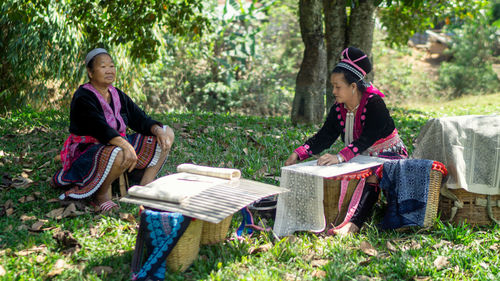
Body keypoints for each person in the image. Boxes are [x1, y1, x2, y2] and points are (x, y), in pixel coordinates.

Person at [284, 47, 408, 235]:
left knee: (372, 174)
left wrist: (341, 157)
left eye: (337, 86)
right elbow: (325, 136)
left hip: (389, 156)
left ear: (353, 86)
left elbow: (367, 139)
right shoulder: (338, 109)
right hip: (359, 157)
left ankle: (354, 225)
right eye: (333, 86)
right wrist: (299, 153)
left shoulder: (375, 104)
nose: (333, 91)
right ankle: (327, 217)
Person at [51, 48, 174, 213]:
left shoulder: (117, 95)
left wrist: (158, 130)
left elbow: (140, 119)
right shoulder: (83, 97)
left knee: (166, 132)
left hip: (115, 143)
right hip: (88, 151)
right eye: (103, 67)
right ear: (90, 72)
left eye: (112, 66)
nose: (109, 70)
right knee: (120, 153)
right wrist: (126, 146)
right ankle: (100, 196)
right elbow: (100, 128)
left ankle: (144, 188)